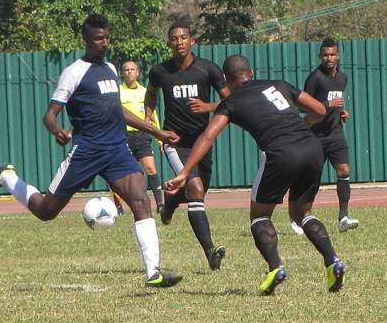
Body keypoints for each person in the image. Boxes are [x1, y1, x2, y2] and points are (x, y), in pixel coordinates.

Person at [0, 14, 183, 288]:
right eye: (99, 38)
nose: (105, 43)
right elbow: (49, 115)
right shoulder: (74, 72)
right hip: (87, 152)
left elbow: (117, 110)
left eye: (108, 37)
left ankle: (152, 272)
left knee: (140, 201)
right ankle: (7, 177)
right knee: (46, 211)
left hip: (116, 151)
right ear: (85, 40)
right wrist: (57, 130)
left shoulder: (109, 68)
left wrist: (155, 130)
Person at [166, 54, 346, 295]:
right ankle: (333, 260)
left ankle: (275, 268)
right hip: (312, 148)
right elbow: (320, 109)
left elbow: (208, 136)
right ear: (251, 73)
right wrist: (303, 126)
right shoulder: (279, 84)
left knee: (259, 216)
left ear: (226, 80)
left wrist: (185, 172)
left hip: (280, 153)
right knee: (302, 212)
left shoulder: (231, 101)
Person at [144, 19, 230, 270]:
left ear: (192, 41)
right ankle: (210, 252)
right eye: (174, 38)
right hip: (175, 141)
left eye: (183, 37)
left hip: (203, 141)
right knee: (194, 188)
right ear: (168, 42)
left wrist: (209, 107)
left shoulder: (208, 69)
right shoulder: (160, 71)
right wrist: (149, 116)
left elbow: (231, 100)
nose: (179, 42)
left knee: (200, 190)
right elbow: (151, 92)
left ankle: (170, 203)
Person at [290, 38, 359, 234]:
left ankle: (343, 217)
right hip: (315, 135)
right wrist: (329, 106)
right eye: (325, 55)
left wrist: (342, 113)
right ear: (320, 56)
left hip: (335, 133)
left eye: (332, 54)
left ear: (338, 56)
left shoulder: (342, 78)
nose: (329, 58)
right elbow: (302, 105)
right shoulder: (315, 78)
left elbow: (337, 103)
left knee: (344, 170)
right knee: (311, 178)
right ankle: (297, 218)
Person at [113, 60, 164, 215]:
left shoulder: (144, 91)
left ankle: (160, 204)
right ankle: (118, 206)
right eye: (126, 69)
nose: (129, 72)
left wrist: (160, 137)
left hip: (142, 136)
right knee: (119, 173)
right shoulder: (118, 92)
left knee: (150, 168)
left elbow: (152, 114)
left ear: (138, 73)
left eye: (132, 69)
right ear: (122, 73)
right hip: (123, 135)